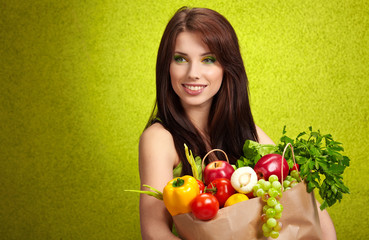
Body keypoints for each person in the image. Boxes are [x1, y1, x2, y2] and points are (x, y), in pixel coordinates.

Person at [138, 6, 336, 240]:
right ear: (166, 66)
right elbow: (154, 231)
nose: (193, 73)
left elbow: (307, 204)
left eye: (208, 59)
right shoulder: (160, 138)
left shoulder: (248, 132)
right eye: (180, 59)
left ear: (227, 68)